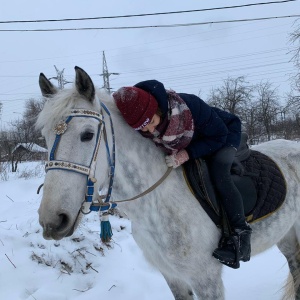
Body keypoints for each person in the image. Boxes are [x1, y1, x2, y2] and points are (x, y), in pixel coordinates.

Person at [112, 80, 252, 269]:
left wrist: (186, 154)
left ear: (158, 109)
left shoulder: (189, 105)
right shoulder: (149, 127)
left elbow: (219, 136)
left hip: (224, 134)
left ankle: (240, 235)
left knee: (220, 174)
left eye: (151, 122)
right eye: (143, 129)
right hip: (193, 141)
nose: (151, 131)